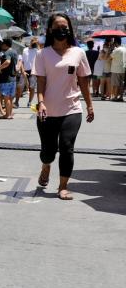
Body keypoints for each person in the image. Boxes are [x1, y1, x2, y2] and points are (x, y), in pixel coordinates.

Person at [34, 13, 94, 200]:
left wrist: (90, 106)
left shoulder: (79, 53)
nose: (62, 29)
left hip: (72, 109)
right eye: (58, 26)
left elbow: (84, 82)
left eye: (65, 25)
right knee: (48, 151)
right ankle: (46, 165)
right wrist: (41, 103)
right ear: (51, 30)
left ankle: (62, 187)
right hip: (47, 110)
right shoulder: (42, 54)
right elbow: (41, 82)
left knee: (67, 146)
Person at [0, 38, 19, 119]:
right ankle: (10, 113)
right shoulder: (14, 52)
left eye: (3, 44)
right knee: (10, 98)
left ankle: (8, 114)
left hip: (6, 78)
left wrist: (0, 68)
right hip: (13, 78)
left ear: (5, 44)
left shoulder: (7, 52)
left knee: (6, 98)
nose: (2, 45)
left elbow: (7, 62)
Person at [22, 37, 39, 105]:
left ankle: (29, 101)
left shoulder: (37, 50)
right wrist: (23, 70)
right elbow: (22, 61)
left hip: (33, 71)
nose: (33, 43)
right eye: (33, 42)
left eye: (35, 42)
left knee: (32, 87)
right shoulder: (25, 50)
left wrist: (37, 44)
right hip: (25, 70)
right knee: (20, 87)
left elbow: (41, 56)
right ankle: (16, 101)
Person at [109, 37, 126, 101]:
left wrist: (111, 49)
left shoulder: (117, 50)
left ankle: (115, 97)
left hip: (116, 69)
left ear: (115, 43)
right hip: (123, 69)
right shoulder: (124, 49)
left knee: (116, 84)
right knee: (121, 84)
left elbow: (110, 57)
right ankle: (121, 97)